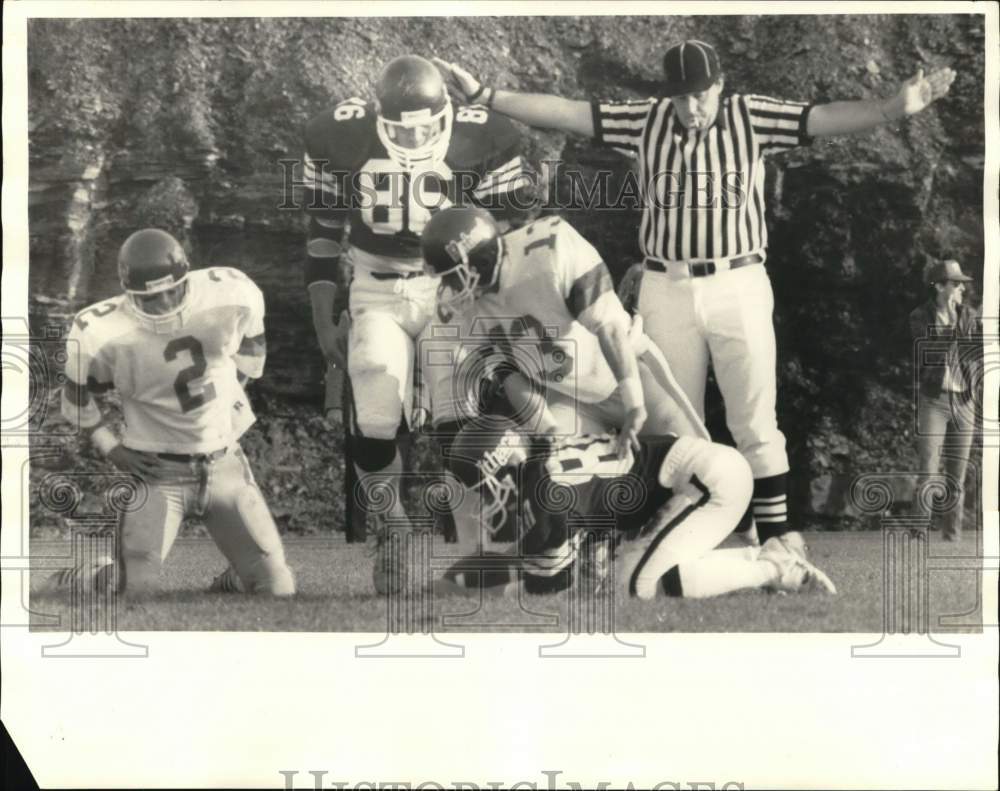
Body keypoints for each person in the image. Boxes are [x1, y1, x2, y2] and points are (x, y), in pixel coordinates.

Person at [434, 42, 956, 559]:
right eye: (682, 98)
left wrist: (890, 109)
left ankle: (772, 542)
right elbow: (570, 113)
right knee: (673, 429)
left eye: (701, 96)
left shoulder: (749, 116)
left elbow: (820, 118)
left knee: (754, 420)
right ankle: (684, 535)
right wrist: (486, 93)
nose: (692, 108)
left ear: (720, 86)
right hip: (666, 285)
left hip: (738, 280)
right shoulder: (649, 120)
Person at [300, 55, 531, 592]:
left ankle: (477, 550)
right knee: (377, 398)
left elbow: (511, 237)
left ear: (447, 112)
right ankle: (394, 531)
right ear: (379, 116)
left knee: (460, 413)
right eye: (404, 127)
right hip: (375, 286)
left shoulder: (487, 136)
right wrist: (320, 318)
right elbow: (323, 232)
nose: (417, 136)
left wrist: (503, 312)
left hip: (453, 287)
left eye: (427, 125)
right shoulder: (337, 134)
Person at [47, 228, 295, 597]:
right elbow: (76, 396)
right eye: (151, 297)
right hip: (157, 471)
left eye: (171, 291)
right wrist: (111, 447)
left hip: (224, 464)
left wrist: (231, 397)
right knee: (133, 591)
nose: (163, 304)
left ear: (186, 278)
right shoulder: (100, 329)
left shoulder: (230, 294)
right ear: (128, 293)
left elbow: (253, 353)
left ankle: (236, 578)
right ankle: (87, 575)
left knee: (278, 589)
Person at [436, 414, 836, 601]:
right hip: (710, 472)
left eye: (486, 487)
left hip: (706, 481)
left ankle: (775, 569)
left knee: (639, 585)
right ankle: (760, 555)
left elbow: (551, 584)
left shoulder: (543, 490)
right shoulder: (545, 458)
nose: (489, 499)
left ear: (503, 463)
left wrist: (475, 578)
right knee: (635, 571)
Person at [419, 207, 710, 455]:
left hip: (628, 374)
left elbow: (609, 327)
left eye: (454, 278)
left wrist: (634, 403)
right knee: (556, 474)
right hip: (570, 398)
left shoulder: (548, 252)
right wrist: (548, 430)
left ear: (481, 259)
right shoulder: (462, 309)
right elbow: (508, 373)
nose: (450, 290)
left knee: (698, 462)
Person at [908, 259, 981, 541]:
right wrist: (953, 327)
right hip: (934, 402)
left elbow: (977, 355)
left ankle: (952, 537)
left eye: (962, 283)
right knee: (928, 470)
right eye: (955, 283)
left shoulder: (969, 315)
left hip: (964, 402)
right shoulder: (919, 317)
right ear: (939, 286)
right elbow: (927, 354)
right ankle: (918, 533)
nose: (961, 288)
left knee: (957, 477)